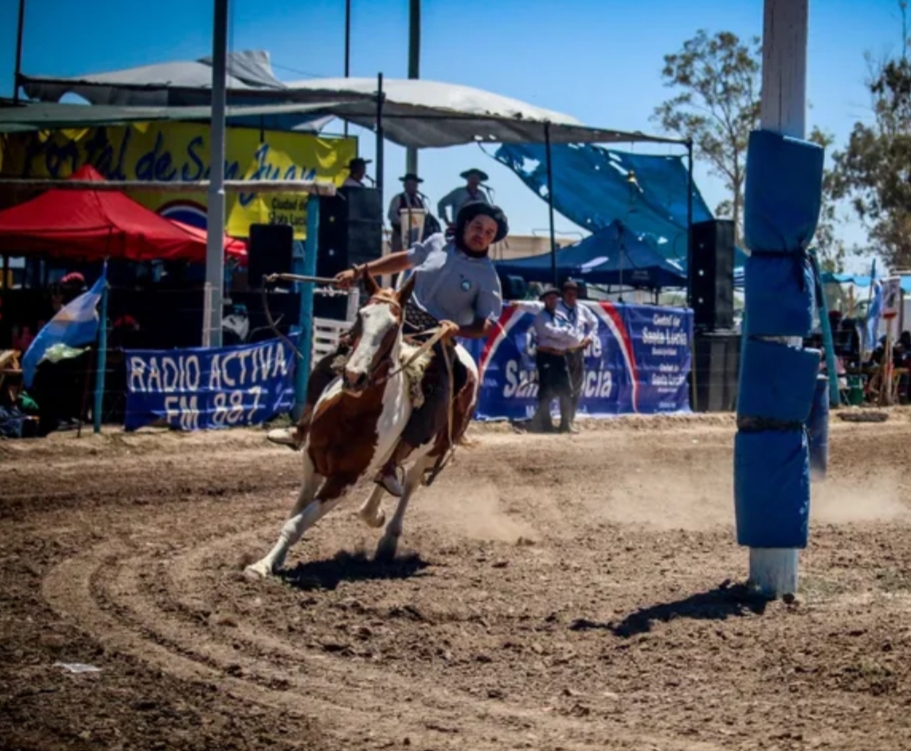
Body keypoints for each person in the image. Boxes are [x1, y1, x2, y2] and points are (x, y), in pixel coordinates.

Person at [266, 201, 508, 496]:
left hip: (435, 339)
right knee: (335, 360)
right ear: (466, 224)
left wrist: (458, 329)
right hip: (397, 322)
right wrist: (359, 272)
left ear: (494, 239)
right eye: (477, 227)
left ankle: (392, 464)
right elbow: (400, 261)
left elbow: (486, 324)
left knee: (438, 393)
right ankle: (302, 428)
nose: (481, 235)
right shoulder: (435, 244)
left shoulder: (488, 277)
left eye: (490, 232)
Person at [530, 287, 583, 433]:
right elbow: (548, 331)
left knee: (567, 390)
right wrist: (565, 334)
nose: (553, 300)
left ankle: (565, 424)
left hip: (560, 356)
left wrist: (561, 335)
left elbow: (573, 337)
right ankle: (545, 424)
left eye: (555, 298)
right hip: (547, 355)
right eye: (549, 298)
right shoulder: (541, 317)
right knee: (546, 390)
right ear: (545, 300)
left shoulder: (561, 317)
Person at [557, 280, 598, 432]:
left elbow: (594, 323)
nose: (572, 297)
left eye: (574, 294)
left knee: (576, 387)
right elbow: (536, 307)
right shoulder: (557, 307)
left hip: (578, 352)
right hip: (562, 352)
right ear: (563, 294)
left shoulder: (582, 309)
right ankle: (563, 421)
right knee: (565, 387)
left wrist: (589, 337)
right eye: (569, 293)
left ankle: (570, 421)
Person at [388, 173, 429, 252]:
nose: (413, 187)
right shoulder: (398, 198)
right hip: (400, 235)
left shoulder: (419, 201)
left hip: (416, 237)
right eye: (410, 184)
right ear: (405, 185)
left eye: (414, 184)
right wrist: (403, 223)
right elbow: (391, 215)